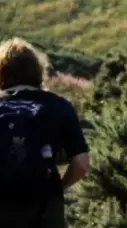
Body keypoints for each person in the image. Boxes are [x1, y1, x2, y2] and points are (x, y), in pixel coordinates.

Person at [0, 37, 90, 227]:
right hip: (45, 203)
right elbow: (81, 164)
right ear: (38, 71)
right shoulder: (58, 105)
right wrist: (60, 188)